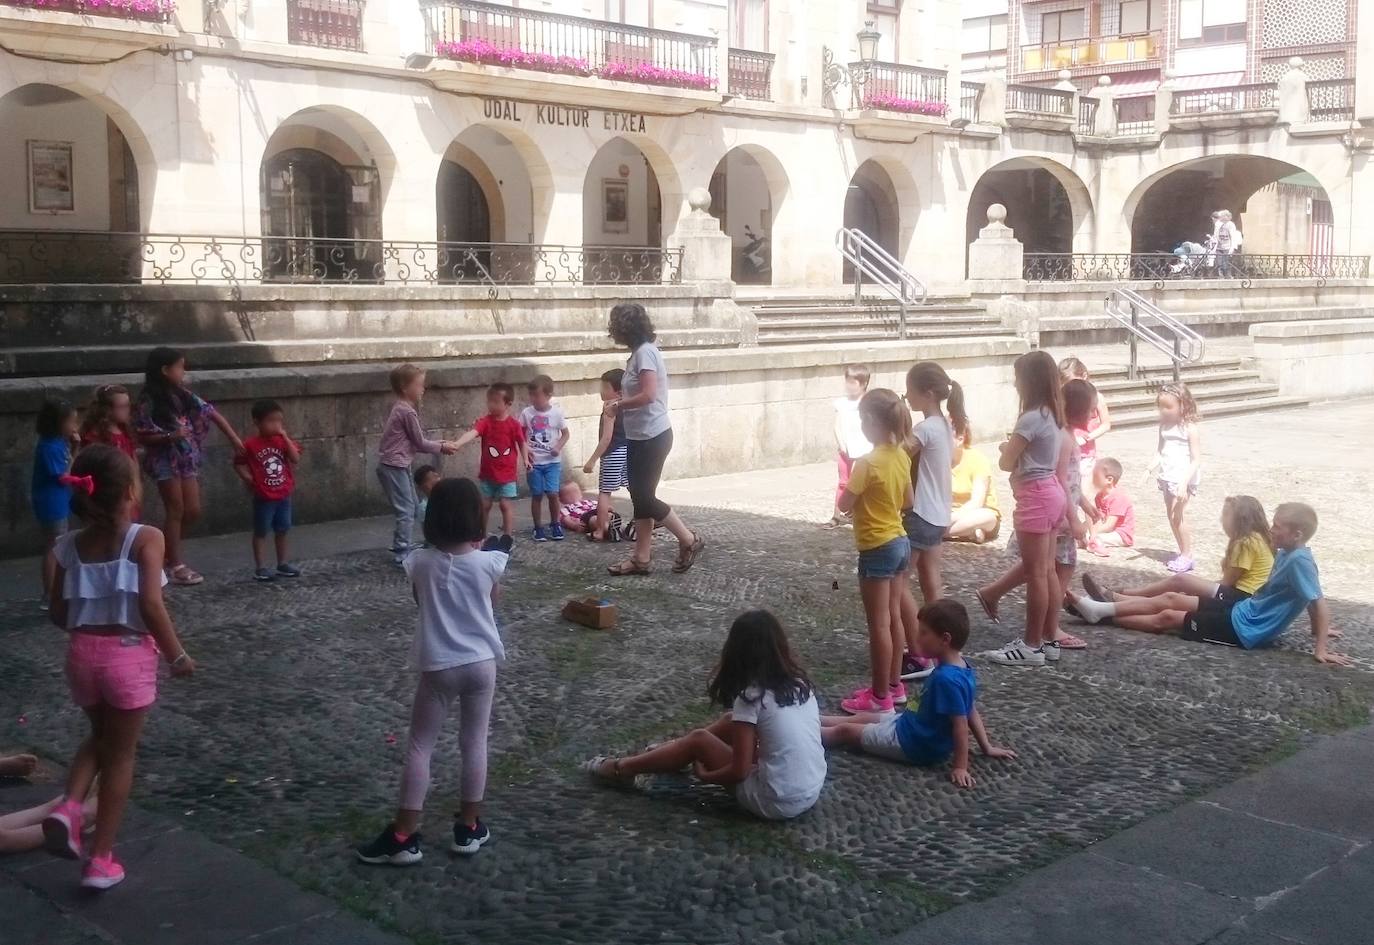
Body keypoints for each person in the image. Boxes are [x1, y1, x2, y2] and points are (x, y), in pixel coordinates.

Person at [42, 444, 196, 889]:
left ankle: (69, 806)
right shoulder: (147, 538)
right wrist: (177, 655)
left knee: (101, 736)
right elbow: (150, 604)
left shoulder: (65, 546)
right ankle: (101, 858)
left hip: (82, 656)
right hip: (127, 658)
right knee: (120, 754)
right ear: (131, 491)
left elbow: (58, 613)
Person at [355, 478, 509, 865]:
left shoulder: (419, 563)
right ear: (477, 518)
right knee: (474, 742)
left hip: (439, 664)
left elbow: (419, 601)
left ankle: (404, 835)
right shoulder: (489, 562)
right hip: (481, 663)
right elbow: (494, 603)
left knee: (421, 745)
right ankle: (469, 827)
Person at [582, 610, 825, 821]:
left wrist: (707, 776)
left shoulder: (751, 697)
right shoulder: (799, 684)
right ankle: (674, 751)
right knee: (730, 722)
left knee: (699, 740)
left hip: (773, 801)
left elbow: (739, 771)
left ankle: (620, 769)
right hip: (810, 790)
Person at [1067, 503, 1350, 665]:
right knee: (1171, 599)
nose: (1272, 530)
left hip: (1244, 630)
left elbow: (1317, 601)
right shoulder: (1288, 551)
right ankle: (1104, 605)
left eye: (1278, 527)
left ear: (1297, 534)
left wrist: (1321, 647)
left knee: (1167, 618)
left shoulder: (1300, 561)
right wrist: (1316, 628)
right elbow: (1310, 601)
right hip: (1243, 610)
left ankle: (1101, 614)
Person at [820, 600, 1015, 788]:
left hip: (913, 744)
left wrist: (960, 766)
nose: (917, 637)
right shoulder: (963, 668)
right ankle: (814, 719)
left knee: (845, 731)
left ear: (945, 639)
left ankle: (803, 736)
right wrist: (986, 746)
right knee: (862, 717)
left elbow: (961, 726)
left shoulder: (947, 680)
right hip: (907, 724)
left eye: (924, 633)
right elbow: (970, 709)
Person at [977, 378, 1095, 661]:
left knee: (1044, 571)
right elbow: (1060, 478)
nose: (1094, 415)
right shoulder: (1055, 427)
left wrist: (1082, 508)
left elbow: (1061, 478)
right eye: (1091, 409)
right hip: (1055, 507)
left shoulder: (1046, 422)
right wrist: (1074, 517)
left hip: (1050, 504)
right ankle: (1044, 636)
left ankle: (1042, 637)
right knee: (1046, 571)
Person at [979, 351, 1068, 668]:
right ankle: (1048, 639)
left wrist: (1006, 448)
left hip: (1035, 495)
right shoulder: (1052, 415)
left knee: (1037, 575)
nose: (1015, 383)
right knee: (1046, 571)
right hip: (1051, 494)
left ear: (1028, 381)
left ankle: (1031, 644)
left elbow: (1006, 462)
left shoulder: (1030, 418)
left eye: (1018, 377)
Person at [604, 303, 703, 576]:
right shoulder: (639, 354)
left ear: (624, 329)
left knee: (645, 498)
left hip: (652, 436)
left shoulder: (645, 354)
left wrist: (618, 405)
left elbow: (648, 394)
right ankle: (641, 558)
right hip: (641, 436)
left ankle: (687, 539)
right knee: (640, 498)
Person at [134, 347, 245, 585]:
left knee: (192, 510)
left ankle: (163, 554)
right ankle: (174, 563)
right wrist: (170, 436)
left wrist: (234, 439)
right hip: (165, 459)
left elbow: (210, 412)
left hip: (185, 458)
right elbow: (142, 435)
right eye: (180, 367)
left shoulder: (181, 394)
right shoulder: (148, 400)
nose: (183, 371)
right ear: (165, 370)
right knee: (176, 509)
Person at [838, 389, 912, 714]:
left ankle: (879, 696)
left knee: (878, 624)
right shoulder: (902, 455)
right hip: (900, 541)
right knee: (894, 617)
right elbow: (908, 501)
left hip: (876, 547)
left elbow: (844, 504)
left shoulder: (866, 464)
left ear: (869, 421)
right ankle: (894, 686)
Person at [1083, 494, 1271, 609]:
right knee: (1179, 590)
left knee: (1180, 582)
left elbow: (1227, 584)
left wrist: (1196, 590)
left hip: (1241, 598)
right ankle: (1121, 597)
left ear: (1240, 519)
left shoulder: (1246, 542)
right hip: (1244, 596)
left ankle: (1120, 596)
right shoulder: (1255, 538)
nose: (1222, 519)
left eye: (1226, 515)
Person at [377, 364, 457, 565]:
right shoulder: (407, 412)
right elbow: (419, 442)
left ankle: (418, 541)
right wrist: (442, 447)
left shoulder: (400, 408)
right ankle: (402, 550)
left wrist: (440, 444)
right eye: (419, 385)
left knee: (413, 507)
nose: (423, 389)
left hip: (397, 464)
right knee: (406, 509)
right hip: (393, 465)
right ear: (405, 388)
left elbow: (415, 442)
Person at [902, 361, 962, 604]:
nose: (907, 396)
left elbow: (895, 456)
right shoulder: (945, 427)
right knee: (931, 581)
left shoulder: (924, 429)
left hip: (920, 513)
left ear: (927, 394)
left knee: (899, 583)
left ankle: (914, 635)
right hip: (939, 515)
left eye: (910, 390)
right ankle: (936, 634)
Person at [233, 399, 303, 582]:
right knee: (261, 530)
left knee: (283, 528)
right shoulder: (250, 445)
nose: (276, 425)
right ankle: (261, 566)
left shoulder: (282, 442)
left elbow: (295, 458)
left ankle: (282, 562)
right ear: (257, 422)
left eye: (279, 421)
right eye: (271, 421)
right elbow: (238, 464)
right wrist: (248, 478)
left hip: (283, 492)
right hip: (264, 495)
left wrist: (285, 438)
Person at [452, 382, 524, 553]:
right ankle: (481, 535)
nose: (491, 405)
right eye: (489, 401)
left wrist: (527, 459)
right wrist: (458, 443)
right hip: (488, 473)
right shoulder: (485, 422)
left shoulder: (513, 425)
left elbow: (522, 442)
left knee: (505, 505)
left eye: (496, 402)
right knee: (484, 505)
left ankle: (507, 537)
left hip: (507, 474)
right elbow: (473, 432)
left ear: (508, 404)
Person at [1145, 382, 1202, 573]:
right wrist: (1149, 469)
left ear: (1183, 405)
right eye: (1161, 406)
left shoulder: (1190, 428)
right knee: (1171, 516)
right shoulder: (1164, 426)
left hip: (1183, 478)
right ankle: (1182, 551)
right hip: (1167, 475)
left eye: (1169, 406)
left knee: (1178, 516)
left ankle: (1187, 554)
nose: (1164, 410)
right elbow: (1160, 451)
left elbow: (1196, 459)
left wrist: (1184, 483)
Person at [33, 399, 79, 605]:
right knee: (54, 546)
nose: (74, 427)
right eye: (71, 422)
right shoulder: (49, 447)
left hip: (58, 498)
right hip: (51, 501)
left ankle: (56, 590)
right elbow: (62, 475)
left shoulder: (58, 442)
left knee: (57, 544)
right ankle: (50, 593)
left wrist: (75, 447)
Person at [581, 368, 630, 542]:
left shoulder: (610, 408)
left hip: (613, 453)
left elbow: (606, 438)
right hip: (628, 451)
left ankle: (600, 530)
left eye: (604, 387)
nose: (601, 390)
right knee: (635, 490)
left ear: (617, 391)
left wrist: (592, 460)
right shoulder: (628, 405)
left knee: (604, 492)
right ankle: (643, 523)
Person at [520, 375, 570, 543]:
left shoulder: (557, 413)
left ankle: (555, 524)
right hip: (534, 462)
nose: (533, 399)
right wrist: (525, 449)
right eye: (531, 395)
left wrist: (558, 447)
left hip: (552, 462)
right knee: (536, 494)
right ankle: (538, 527)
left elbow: (565, 434)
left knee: (553, 493)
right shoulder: (527, 413)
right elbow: (519, 434)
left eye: (537, 395)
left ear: (548, 395)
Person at [826, 364, 872, 529]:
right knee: (843, 482)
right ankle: (837, 515)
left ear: (864, 384)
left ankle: (857, 512)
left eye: (854, 383)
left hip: (864, 450)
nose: (849, 386)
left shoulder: (868, 402)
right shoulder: (842, 403)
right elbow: (837, 426)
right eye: (848, 382)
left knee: (860, 483)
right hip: (846, 450)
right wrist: (841, 444)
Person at [945, 416, 1000, 544]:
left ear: (959, 439)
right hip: (950, 513)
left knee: (985, 517)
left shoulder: (978, 460)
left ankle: (939, 533)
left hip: (977, 513)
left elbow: (977, 503)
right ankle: (967, 531)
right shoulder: (939, 460)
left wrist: (945, 521)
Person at [1058, 357, 1111, 482]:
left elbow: (1106, 424)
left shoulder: (1096, 397)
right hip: (1065, 451)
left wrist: (1087, 438)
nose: (1068, 386)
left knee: (1082, 485)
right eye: (1064, 383)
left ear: (1084, 376)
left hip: (1085, 453)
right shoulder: (1063, 396)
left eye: (1070, 382)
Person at [1085, 458, 1135, 555]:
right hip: (1107, 530)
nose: (1092, 480)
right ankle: (1086, 541)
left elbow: (1109, 526)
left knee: (1095, 537)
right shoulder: (1099, 496)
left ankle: (1094, 544)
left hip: (1121, 535)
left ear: (1109, 480)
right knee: (1085, 531)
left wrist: (1091, 532)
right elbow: (1098, 519)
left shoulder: (1119, 497)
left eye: (1096, 477)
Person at [558, 481, 635, 543]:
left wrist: (575, 525)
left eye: (575, 492)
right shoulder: (569, 507)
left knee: (598, 519)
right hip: (591, 514)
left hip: (591, 515)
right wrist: (575, 525)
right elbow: (566, 520)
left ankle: (612, 528)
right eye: (571, 494)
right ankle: (622, 529)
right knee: (600, 517)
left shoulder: (586, 502)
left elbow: (566, 519)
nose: (573, 495)